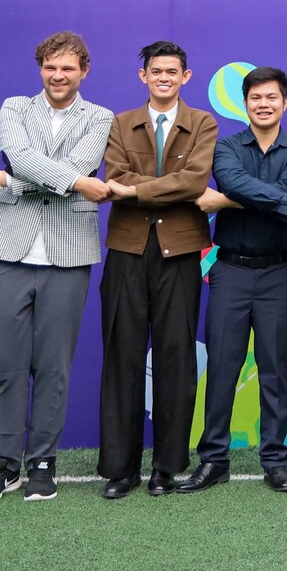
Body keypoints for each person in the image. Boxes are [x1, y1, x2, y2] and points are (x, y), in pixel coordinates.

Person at [0, 31, 114, 503]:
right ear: (40, 69)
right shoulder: (14, 107)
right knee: (6, 366)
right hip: (8, 251)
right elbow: (26, 158)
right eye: (50, 67)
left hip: (68, 257)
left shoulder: (101, 117)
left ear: (84, 71)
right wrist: (65, 180)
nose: (58, 75)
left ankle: (43, 465)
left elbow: (77, 165)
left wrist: (5, 179)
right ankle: (3, 464)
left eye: (67, 67)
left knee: (54, 368)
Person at [178, 66, 287, 495]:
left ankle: (274, 461)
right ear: (245, 103)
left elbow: (268, 188)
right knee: (222, 368)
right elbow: (237, 182)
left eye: (272, 97)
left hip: (279, 273)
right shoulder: (226, 146)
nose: (264, 104)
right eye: (256, 98)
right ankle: (213, 460)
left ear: (285, 102)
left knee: (275, 369)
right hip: (230, 271)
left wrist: (228, 201)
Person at [97, 40, 219, 498]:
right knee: (122, 356)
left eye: (172, 71)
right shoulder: (120, 123)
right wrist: (157, 187)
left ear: (185, 77)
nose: (164, 78)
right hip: (127, 249)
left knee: (176, 357)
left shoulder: (202, 122)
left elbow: (195, 181)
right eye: (156, 71)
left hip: (181, 251)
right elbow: (115, 176)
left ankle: (166, 467)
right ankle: (120, 469)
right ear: (143, 76)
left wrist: (135, 191)